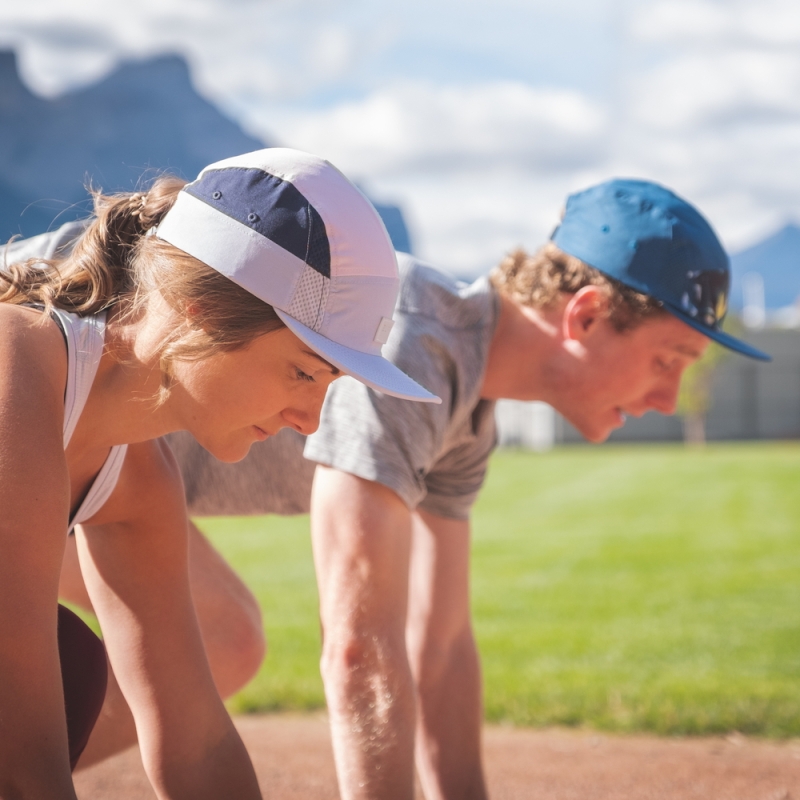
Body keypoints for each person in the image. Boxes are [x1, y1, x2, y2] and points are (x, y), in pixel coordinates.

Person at [46, 179, 770, 797]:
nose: (672, 397)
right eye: (668, 359)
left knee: (226, 639)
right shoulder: (416, 342)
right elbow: (361, 645)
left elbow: (443, 645)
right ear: (582, 316)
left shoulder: (465, 416)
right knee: (222, 637)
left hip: (110, 471)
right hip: (43, 410)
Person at [0, 147, 437, 799]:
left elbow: (197, 742)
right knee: (65, 668)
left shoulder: (138, 480)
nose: (310, 420)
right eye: (302, 371)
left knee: (70, 674)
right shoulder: (15, 370)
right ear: (197, 306)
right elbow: (21, 757)